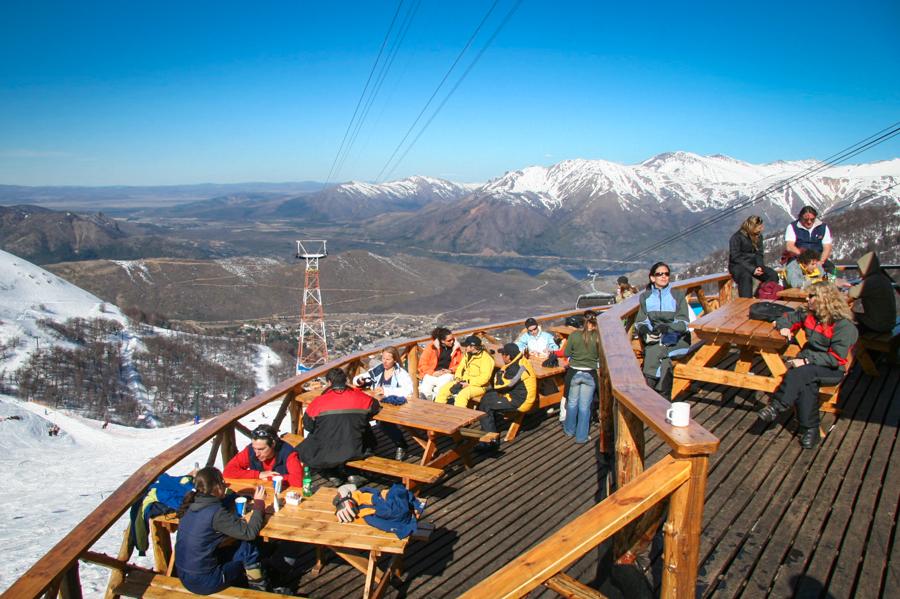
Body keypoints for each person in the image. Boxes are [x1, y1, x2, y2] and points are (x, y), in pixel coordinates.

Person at [758, 282, 858, 449]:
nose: (807, 298)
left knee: (799, 374)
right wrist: (784, 328)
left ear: (824, 299)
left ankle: (777, 406)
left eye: (811, 296)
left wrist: (806, 360)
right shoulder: (809, 314)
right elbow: (786, 318)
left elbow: (836, 359)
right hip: (809, 365)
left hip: (831, 369)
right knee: (806, 381)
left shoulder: (843, 325)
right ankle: (810, 430)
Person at [174, 467, 269, 594]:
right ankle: (259, 591)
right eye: (223, 484)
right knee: (248, 548)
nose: (224, 486)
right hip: (205, 581)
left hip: (184, 574)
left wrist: (232, 498)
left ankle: (253, 580)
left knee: (234, 546)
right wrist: (259, 504)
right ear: (217, 487)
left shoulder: (190, 503)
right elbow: (249, 533)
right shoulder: (216, 513)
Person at [298, 368, 380, 486]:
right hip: (354, 448)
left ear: (329, 383)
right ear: (345, 381)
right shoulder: (359, 397)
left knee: (310, 444)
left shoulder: (319, 401)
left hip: (326, 451)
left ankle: (332, 473)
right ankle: (353, 473)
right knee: (364, 432)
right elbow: (375, 406)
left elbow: (308, 426)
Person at [634, 262, 692, 398]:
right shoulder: (645, 297)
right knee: (663, 359)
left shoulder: (677, 295)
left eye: (666, 274)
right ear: (652, 278)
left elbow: (684, 324)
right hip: (657, 339)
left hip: (678, 338)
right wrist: (645, 330)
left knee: (655, 350)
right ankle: (664, 398)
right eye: (660, 274)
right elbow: (641, 321)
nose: (664, 276)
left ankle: (648, 391)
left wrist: (668, 327)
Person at [475, 343, 537, 451]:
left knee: (485, 405)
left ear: (508, 356)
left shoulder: (514, 369)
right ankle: (489, 430)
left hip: (520, 401)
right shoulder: (520, 360)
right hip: (517, 395)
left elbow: (499, 385)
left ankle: (491, 443)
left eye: (503, 354)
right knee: (487, 397)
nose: (501, 356)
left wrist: (499, 373)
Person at [358, 346, 414, 461]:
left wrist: (386, 391)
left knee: (384, 423)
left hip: (395, 406)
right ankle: (369, 445)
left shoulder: (401, 373)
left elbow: (408, 391)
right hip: (378, 403)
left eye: (388, 359)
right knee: (360, 417)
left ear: (395, 360)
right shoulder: (379, 370)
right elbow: (360, 378)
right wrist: (360, 381)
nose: (384, 361)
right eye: (383, 358)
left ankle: (401, 444)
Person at [223, 424, 303, 489]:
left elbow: (298, 480)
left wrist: (270, 477)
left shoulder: (288, 453)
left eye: (261, 449)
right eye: (254, 448)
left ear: (273, 444)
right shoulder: (250, 450)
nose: (256, 453)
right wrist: (258, 474)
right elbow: (228, 471)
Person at [563, 311, 600, 443]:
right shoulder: (598, 337)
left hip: (574, 372)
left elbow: (566, 353)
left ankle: (569, 430)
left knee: (572, 403)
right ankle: (581, 436)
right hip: (590, 373)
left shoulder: (574, 335)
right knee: (585, 407)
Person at [434, 335, 495, 407]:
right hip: (464, 382)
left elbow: (484, 378)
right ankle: (438, 412)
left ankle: (460, 417)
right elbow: (460, 368)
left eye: (466, 346)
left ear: (473, 347)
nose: (464, 347)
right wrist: (458, 378)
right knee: (444, 390)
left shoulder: (486, 359)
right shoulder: (468, 354)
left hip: (479, 386)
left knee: (462, 396)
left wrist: (469, 383)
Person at [728, 215, 779, 298]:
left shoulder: (758, 236)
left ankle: (762, 295)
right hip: (738, 265)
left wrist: (760, 266)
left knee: (772, 275)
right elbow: (735, 257)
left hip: (754, 264)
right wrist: (752, 269)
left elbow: (759, 253)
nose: (761, 229)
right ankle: (746, 303)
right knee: (746, 277)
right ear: (752, 227)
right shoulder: (736, 237)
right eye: (759, 227)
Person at [849, 251, 897, 334]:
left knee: (845, 317)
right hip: (889, 322)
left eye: (859, 269)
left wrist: (834, 280)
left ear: (865, 268)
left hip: (879, 325)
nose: (859, 272)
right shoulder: (883, 278)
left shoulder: (870, 282)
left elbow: (852, 293)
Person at [784, 205, 834, 272]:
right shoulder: (792, 227)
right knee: (793, 270)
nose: (809, 222)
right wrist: (804, 257)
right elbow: (790, 246)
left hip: (818, 258)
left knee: (830, 268)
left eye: (812, 219)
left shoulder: (823, 227)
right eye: (806, 219)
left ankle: (830, 282)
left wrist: (821, 261)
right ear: (801, 218)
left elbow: (827, 247)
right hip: (798, 257)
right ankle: (799, 282)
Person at [417, 327, 462, 400]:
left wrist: (450, 370)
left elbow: (460, 365)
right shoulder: (431, 348)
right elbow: (422, 364)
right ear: (442, 341)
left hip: (447, 374)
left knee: (441, 388)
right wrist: (432, 373)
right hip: (433, 373)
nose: (452, 342)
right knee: (425, 389)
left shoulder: (456, 349)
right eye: (449, 340)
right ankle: (425, 403)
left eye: (453, 339)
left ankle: (436, 402)